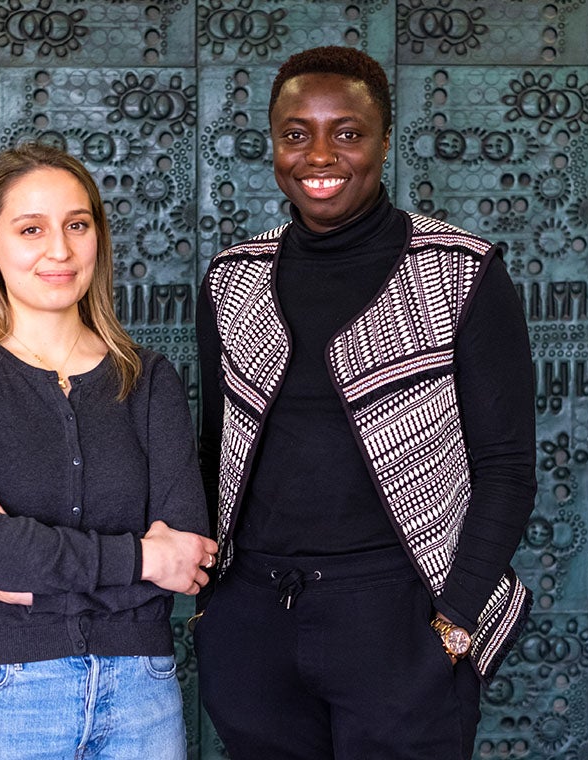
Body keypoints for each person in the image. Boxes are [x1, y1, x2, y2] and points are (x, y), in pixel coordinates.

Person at [194, 46, 537, 759]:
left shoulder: (460, 270)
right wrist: (214, 607)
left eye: (347, 132)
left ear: (383, 141)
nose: (320, 155)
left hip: (399, 618)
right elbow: (214, 448)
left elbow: (506, 467)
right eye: (296, 134)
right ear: (273, 144)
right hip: (255, 621)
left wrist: (455, 617)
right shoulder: (232, 277)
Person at [0, 142, 217, 760]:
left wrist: (30, 584)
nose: (60, 250)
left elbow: (185, 559)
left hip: (140, 698)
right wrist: (142, 559)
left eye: (77, 225)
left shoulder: (147, 378)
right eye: (31, 229)